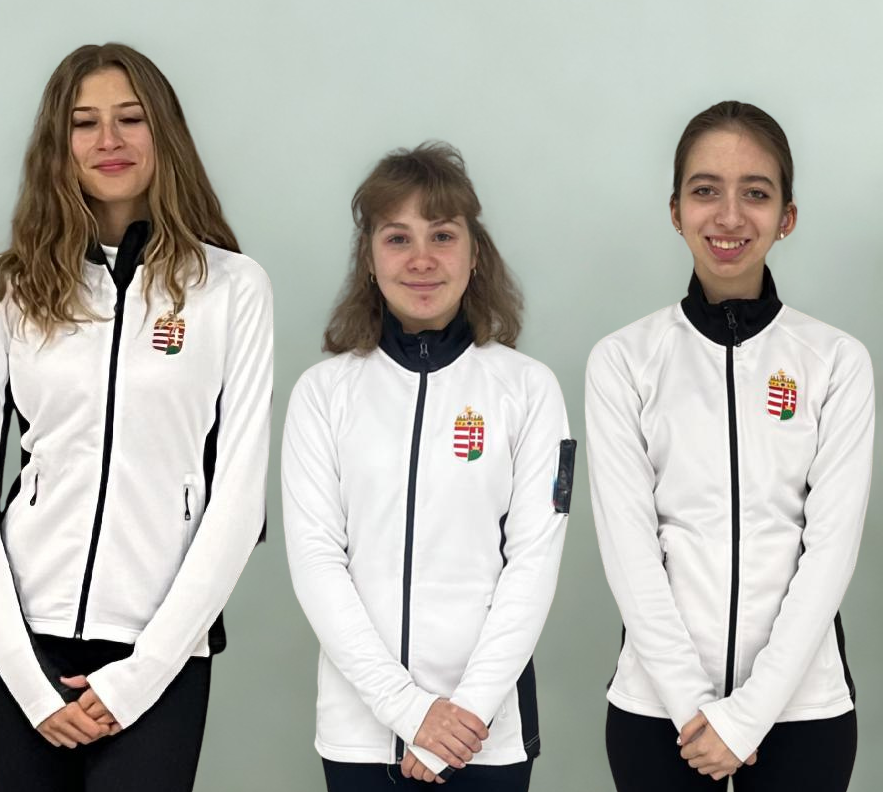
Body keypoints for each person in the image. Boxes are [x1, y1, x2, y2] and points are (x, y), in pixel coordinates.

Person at [0, 42, 272, 792]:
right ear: (58, 145)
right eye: (84, 123)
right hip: (22, 641)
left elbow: (239, 497)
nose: (109, 140)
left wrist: (144, 672)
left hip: (161, 643)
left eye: (131, 118)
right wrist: (24, 675)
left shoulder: (232, 288)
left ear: (165, 132)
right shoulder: (5, 288)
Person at [587, 100, 872, 791]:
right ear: (676, 210)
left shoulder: (837, 361)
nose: (729, 216)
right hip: (658, 713)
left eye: (756, 193)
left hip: (803, 712)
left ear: (787, 217)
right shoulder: (623, 361)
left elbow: (830, 550)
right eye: (706, 190)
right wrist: (696, 710)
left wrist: (747, 717)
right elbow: (630, 551)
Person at [283, 142, 569, 791]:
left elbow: (533, 564)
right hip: (360, 734)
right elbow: (317, 561)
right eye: (397, 238)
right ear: (369, 258)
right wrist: (408, 711)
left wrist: (466, 713)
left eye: (442, 235)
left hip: (484, 736)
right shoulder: (322, 394)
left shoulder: (529, 390)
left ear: (475, 253)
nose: (421, 260)